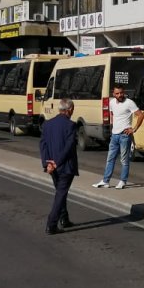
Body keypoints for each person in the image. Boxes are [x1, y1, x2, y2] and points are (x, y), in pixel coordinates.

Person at [92, 85, 144, 189]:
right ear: (113, 94)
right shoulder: (112, 103)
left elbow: (141, 115)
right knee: (110, 159)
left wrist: (133, 129)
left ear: (123, 92)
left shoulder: (129, 103)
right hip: (114, 135)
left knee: (124, 160)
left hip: (125, 135)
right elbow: (112, 114)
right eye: (117, 93)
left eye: (121, 93)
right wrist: (112, 128)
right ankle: (105, 181)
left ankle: (122, 181)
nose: (120, 95)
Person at [39, 98, 79, 235]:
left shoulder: (47, 124)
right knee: (60, 195)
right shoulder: (71, 125)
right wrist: (56, 162)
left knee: (61, 193)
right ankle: (51, 224)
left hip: (52, 167)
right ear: (69, 110)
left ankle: (64, 219)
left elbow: (43, 145)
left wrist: (47, 163)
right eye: (72, 109)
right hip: (65, 166)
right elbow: (69, 147)